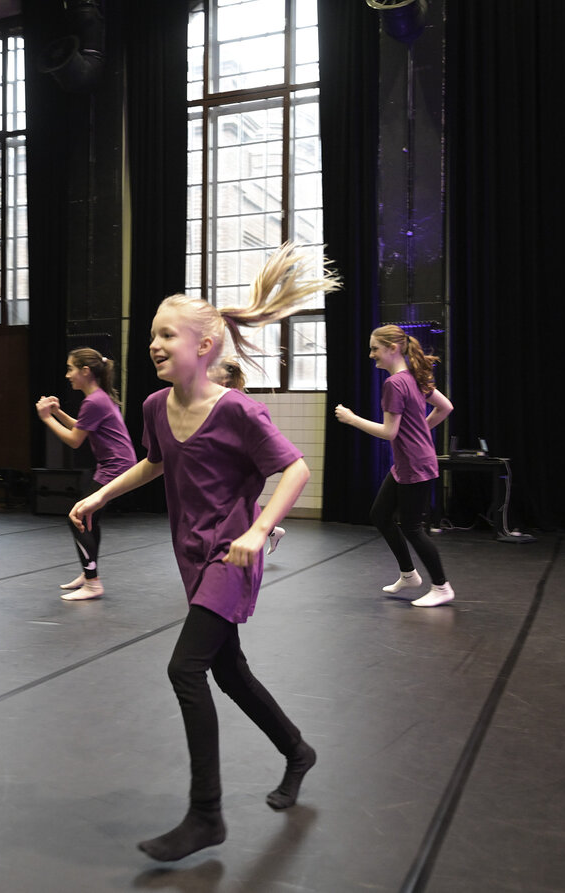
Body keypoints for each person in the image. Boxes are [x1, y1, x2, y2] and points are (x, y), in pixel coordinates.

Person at [71, 242, 338, 862]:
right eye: (153, 337)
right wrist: (102, 494)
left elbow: (295, 470)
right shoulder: (154, 407)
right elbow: (153, 464)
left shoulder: (239, 410)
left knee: (185, 669)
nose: (155, 345)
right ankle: (297, 750)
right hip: (190, 555)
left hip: (231, 558)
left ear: (205, 346)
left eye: (167, 335)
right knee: (229, 671)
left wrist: (255, 531)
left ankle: (206, 815)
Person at [335, 325, 456, 608]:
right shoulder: (414, 376)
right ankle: (408, 574)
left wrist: (352, 419)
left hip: (414, 463)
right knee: (380, 514)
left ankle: (441, 587)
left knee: (412, 527)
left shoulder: (394, 384)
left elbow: (389, 432)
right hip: (409, 460)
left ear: (393, 349)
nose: (371, 354)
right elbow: (446, 407)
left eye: (375, 348)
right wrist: (420, 431)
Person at [35, 349, 137, 600]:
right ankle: (89, 572)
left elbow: (74, 440)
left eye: (71, 369)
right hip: (113, 465)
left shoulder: (94, 400)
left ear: (85, 371)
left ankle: (92, 582)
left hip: (116, 466)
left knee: (78, 517)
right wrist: (58, 413)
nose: (68, 375)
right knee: (90, 519)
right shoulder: (98, 398)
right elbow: (83, 427)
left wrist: (47, 418)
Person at [208, 357, 285, 555]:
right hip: (222, 465)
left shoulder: (239, 405)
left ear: (222, 379)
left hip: (238, 465)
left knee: (237, 507)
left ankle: (267, 531)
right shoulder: (210, 401)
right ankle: (272, 531)